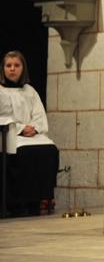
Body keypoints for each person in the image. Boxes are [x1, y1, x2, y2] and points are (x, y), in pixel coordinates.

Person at [1, 51, 59, 216]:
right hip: (9, 135)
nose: (12, 69)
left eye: (16, 65)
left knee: (50, 150)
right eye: (8, 65)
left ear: (23, 68)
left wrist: (34, 127)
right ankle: (17, 202)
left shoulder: (29, 91)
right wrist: (20, 128)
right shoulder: (0, 91)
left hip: (31, 134)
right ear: (3, 68)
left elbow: (39, 114)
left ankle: (38, 199)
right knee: (23, 152)